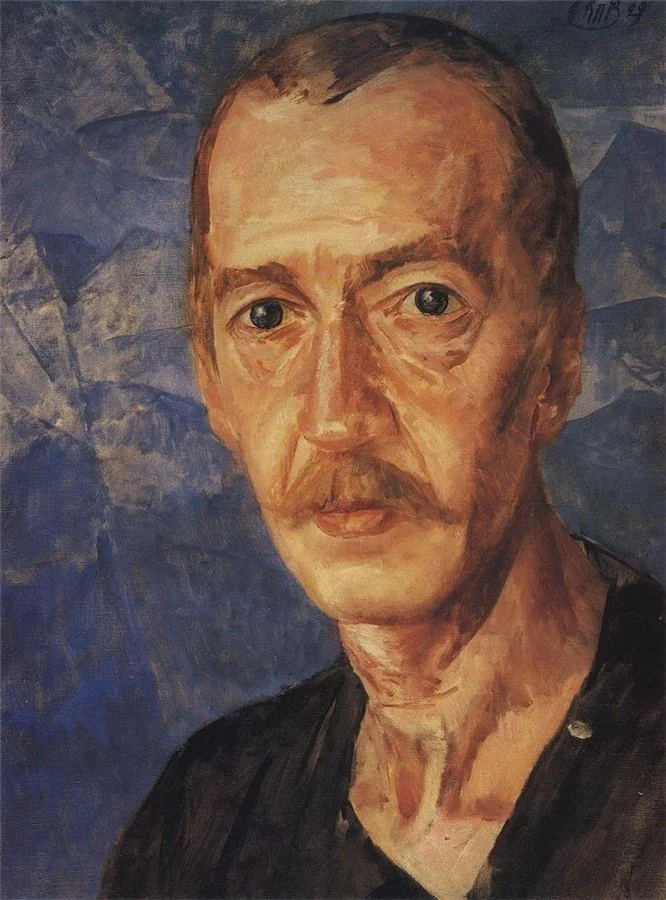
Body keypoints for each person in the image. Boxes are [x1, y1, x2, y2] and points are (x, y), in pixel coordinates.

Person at [101, 14, 664, 899]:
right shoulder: (202, 825)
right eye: (268, 316)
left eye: (426, 302)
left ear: (557, 359)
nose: (337, 416)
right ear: (211, 383)